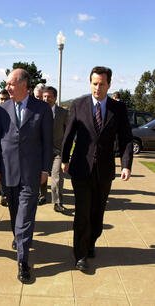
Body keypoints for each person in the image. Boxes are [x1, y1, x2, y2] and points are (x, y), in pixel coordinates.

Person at [62, 66, 133, 271]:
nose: (98, 88)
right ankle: (80, 254)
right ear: (90, 83)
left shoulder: (118, 109)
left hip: (104, 170)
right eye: (94, 83)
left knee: (97, 212)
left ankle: (91, 241)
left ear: (109, 85)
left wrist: (126, 165)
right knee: (82, 211)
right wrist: (65, 159)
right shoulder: (78, 104)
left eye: (102, 84)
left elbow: (126, 138)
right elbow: (68, 135)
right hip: (81, 168)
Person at [0, 68, 53, 283]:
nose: (7, 87)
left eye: (11, 84)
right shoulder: (1, 110)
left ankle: (22, 262)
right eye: (7, 84)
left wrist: (46, 169)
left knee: (25, 215)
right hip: (8, 172)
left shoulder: (42, 109)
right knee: (15, 212)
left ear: (24, 85)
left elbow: (47, 142)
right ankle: (20, 238)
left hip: (31, 173)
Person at [40, 86, 69, 213]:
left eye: (49, 97)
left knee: (56, 176)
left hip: (58, 151)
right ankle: (41, 196)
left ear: (55, 98)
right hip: (41, 150)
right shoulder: (37, 111)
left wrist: (67, 151)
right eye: (45, 96)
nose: (46, 99)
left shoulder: (63, 113)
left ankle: (57, 202)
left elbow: (68, 133)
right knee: (41, 175)